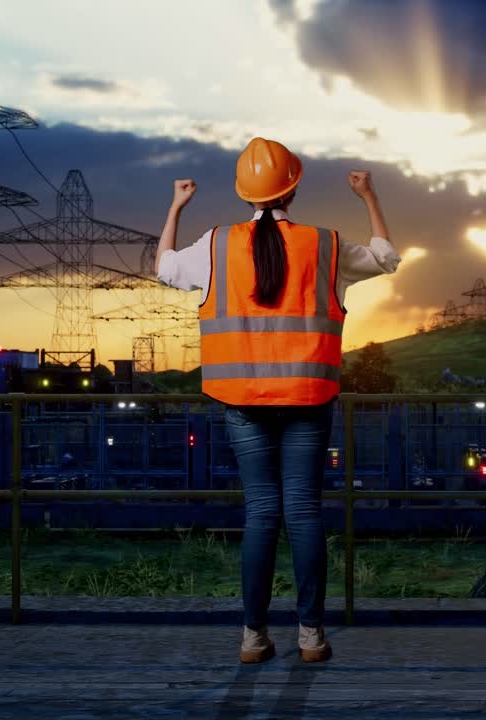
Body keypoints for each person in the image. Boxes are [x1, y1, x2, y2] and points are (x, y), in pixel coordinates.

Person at [155, 137, 400, 663]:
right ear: (294, 188)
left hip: (241, 400)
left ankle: (253, 637)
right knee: (305, 513)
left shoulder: (217, 245)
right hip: (309, 397)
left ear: (245, 193)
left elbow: (166, 268)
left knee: (262, 512)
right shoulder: (326, 245)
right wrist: (368, 196)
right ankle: (311, 636)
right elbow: (387, 259)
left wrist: (176, 206)